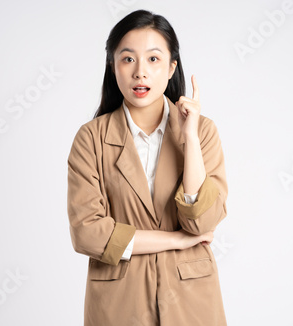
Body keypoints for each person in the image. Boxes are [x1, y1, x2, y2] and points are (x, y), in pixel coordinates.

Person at [67, 9, 228, 326]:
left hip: (191, 300)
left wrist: (190, 139)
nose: (140, 72)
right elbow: (87, 233)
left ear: (171, 68)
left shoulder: (203, 132)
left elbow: (202, 223)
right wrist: (175, 241)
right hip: (119, 303)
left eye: (153, 59)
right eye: (127, 59)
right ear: (113, 67)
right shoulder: (91, 138)